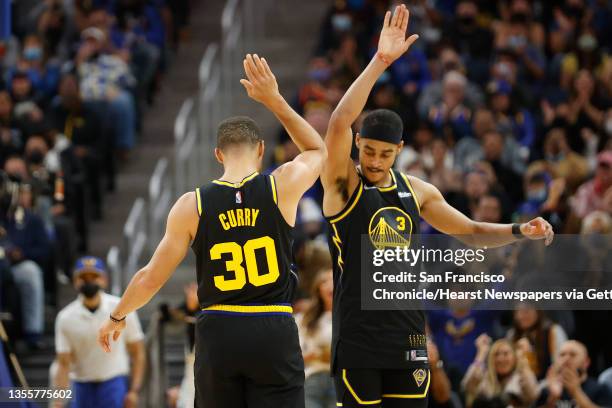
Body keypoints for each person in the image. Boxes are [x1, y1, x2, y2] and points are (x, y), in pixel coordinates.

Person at [320, 5, 554, 407]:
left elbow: (472, 232)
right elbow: (340, 121)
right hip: (359, 339)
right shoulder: (342, 185)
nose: (375, 161)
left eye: (385, 154)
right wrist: (380, 61)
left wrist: (519, 231)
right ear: (358, 146)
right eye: (369, 151)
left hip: (408, 334)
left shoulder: (419, 191)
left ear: (400, 151)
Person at [97, 54, 327, 408]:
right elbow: (316, 148)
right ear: (262, 150)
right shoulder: (282, 186)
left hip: (219, 328)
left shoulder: (192, 205)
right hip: (273, 325)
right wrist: (274, 100)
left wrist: (117, 315)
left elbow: (150, 277)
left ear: (218, 154)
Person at [53, 257, 145, 408]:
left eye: (94, 276)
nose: (89, 281)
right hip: (81, 384)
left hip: (114, 382)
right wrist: (58, 401)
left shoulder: (121, 308)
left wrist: (134, 390)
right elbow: (63, 363)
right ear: (76, 281)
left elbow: (138, 351)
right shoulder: (65, 317)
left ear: (104, 279)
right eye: (83, 277)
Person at [461, 335, 539, 408]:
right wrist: (481, 354)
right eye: (496, 354)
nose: (500, 359)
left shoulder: (520, 378)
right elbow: (468, 386)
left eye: (506, 354)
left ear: (514, 358)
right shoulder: (485, 378)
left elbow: (533, 394)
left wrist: (522, 360)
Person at [297, 268, 335, 408]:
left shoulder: (351, 319)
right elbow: (294, 356)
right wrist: (311, 356)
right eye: (324, 281)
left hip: (340, 380)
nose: (330, 285)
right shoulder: (304, 320)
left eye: (333, 279)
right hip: (313, 376)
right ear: (318, 288)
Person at [536, 340, 612, 408]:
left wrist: (576, 392)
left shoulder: (599, 388)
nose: (566, 359)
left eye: (573, 354)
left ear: (586, 362)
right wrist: (553, 397)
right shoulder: (548, 388)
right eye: (562, 355)